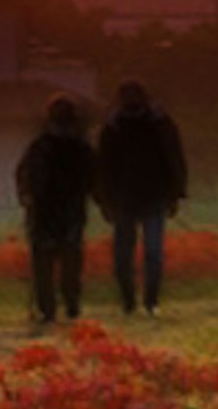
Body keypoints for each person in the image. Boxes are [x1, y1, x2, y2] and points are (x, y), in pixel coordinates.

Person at [96, 77, 188, 317]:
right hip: (127, 198)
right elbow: (103, 167)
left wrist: (175, 193)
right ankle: (132, 301)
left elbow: (174, 159)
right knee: (127, 257)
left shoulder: (158, 124)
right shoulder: (114, 127)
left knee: (150, 254)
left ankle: (148, 301)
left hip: (149, 196)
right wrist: (104, 199)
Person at [13, 92, 96, 328]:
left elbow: (23, 174)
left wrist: (26, 195)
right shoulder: (79, 146)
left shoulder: (41, 146)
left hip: (49, 208)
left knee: (46, 262)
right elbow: (93, 177)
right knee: (66, 260)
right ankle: (65, 305)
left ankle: (51, 307)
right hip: (61, 208)